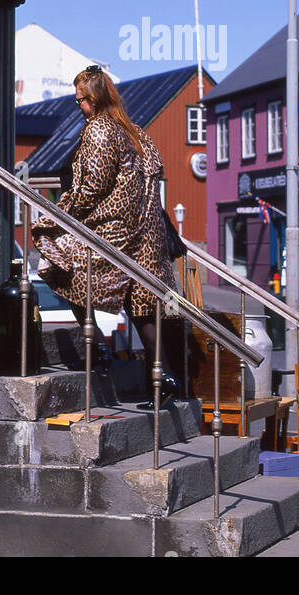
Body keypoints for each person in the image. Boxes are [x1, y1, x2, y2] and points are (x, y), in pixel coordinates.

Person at [31, 65, 180, 398]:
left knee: (58, 266)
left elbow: (93, 186)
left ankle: (96, 346)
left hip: (115, 231)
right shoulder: (136, 131)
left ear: (95, 99)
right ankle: (165, 378)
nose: (79, 107)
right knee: (141, 306)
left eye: (80, 100)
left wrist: (55, 217)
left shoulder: (99, 129)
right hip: (147, 236)